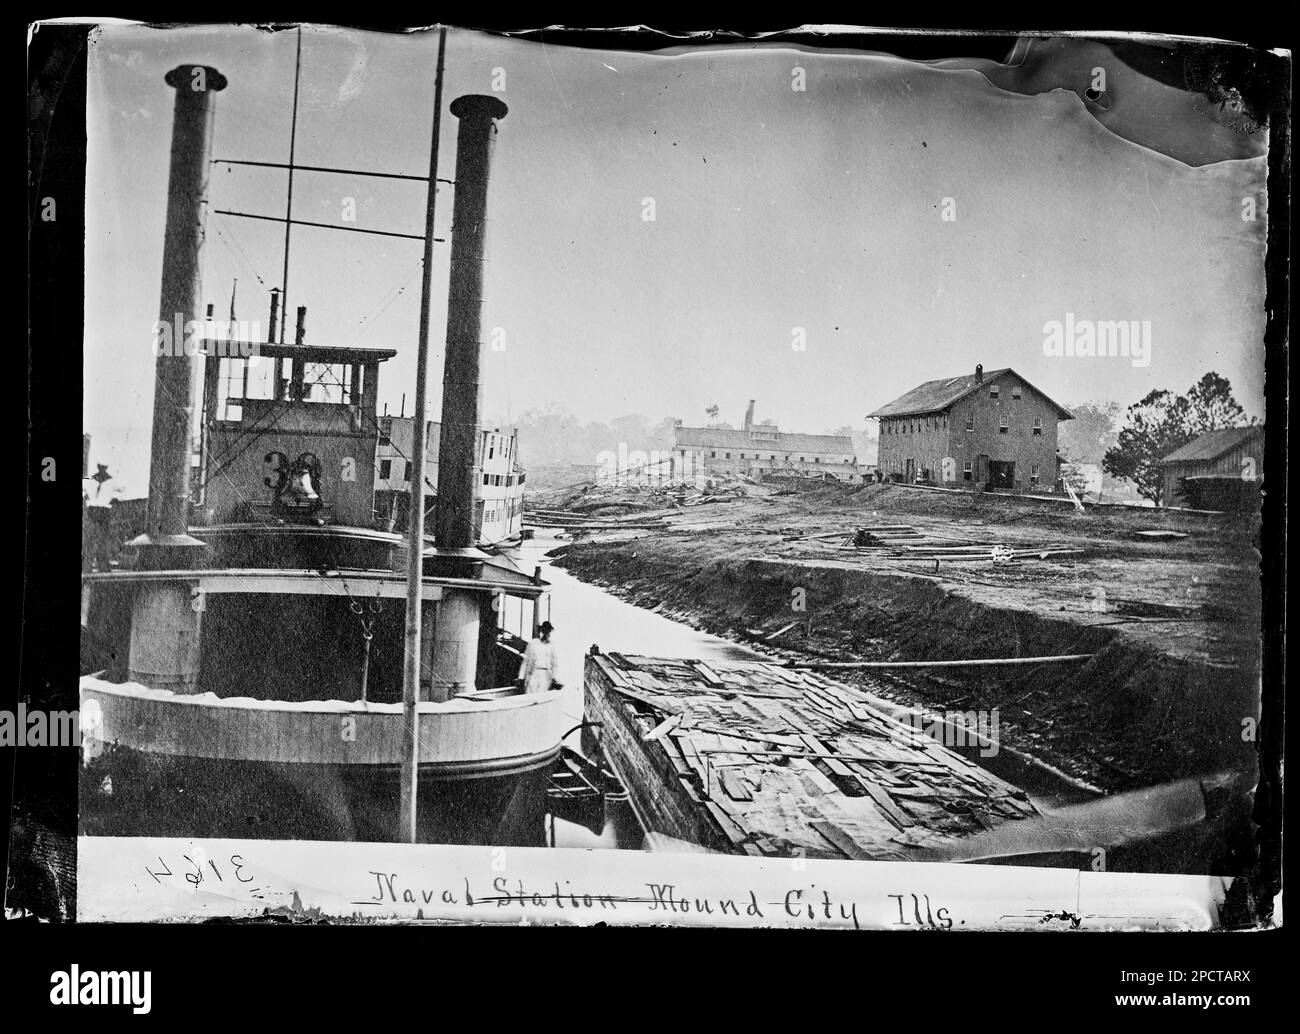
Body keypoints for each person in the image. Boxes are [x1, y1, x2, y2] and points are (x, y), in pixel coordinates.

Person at [518, 621, 562, 694]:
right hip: (533, 673)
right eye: (544, 630)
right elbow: (525, 661)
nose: (546, 633)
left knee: (541, 695)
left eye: (548, 631)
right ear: (542, 631)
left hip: (545, 676)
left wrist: (554, 677)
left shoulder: (552, 646)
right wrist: (521, 677)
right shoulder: (533, 643)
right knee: (530, 693)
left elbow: (555, 664)